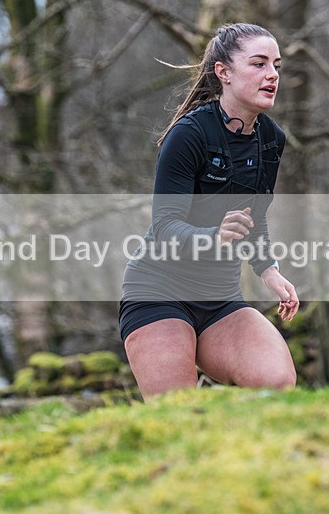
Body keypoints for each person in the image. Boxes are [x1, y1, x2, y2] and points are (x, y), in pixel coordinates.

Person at [120, 23, 299, 398]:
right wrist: (213, 237)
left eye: (277, 66)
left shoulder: (271, 139)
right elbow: (165, 226)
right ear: (224, 73)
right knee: (178, 412)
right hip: (159, 292)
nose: (272, 75)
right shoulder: (189, 134)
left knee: (277, 383)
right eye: (259, 64)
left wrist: (268, 270)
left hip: (220, 299)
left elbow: (256, 217)